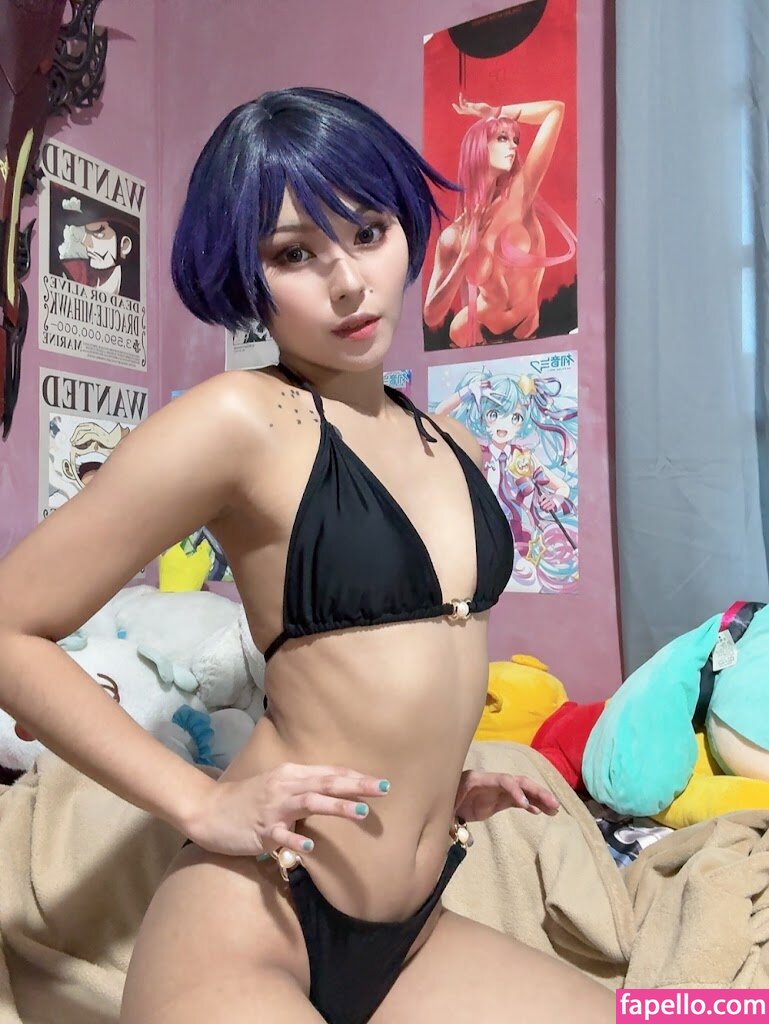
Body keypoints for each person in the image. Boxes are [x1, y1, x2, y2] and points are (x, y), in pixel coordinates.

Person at [0, 88, 614, 1023]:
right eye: (294, 254)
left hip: (414, 931)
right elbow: (10, 627)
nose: (348, 283)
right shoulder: (239, 420)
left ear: (407, 231)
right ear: (246, 278)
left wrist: (432, 785)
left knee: (672, 1014)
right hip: (257, 918)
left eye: (368, 233)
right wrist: (197, 803)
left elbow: (397, 670)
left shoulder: (455, 442)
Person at [423, 94, 576, 346]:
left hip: (528, 325)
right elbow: (431, 315)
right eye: (502, 138)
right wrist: (463, 259)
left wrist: (497, 111)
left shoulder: (521, 193)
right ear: (479, 148)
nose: (513, 146)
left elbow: (555, 111)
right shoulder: (454, 236)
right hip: (475, 331)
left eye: (515, 140)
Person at [434, 369, 579, 591]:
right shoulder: (475, 451)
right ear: (483, 416)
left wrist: (554, 501)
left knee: (526, 578)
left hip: (519, 538)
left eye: (515, 417)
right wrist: (468, 392)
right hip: (479, 534)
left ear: (522, 422)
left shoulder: (524, 457)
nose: (504, 424)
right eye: (494, 414)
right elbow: (438, 416)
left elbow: (563, 487)